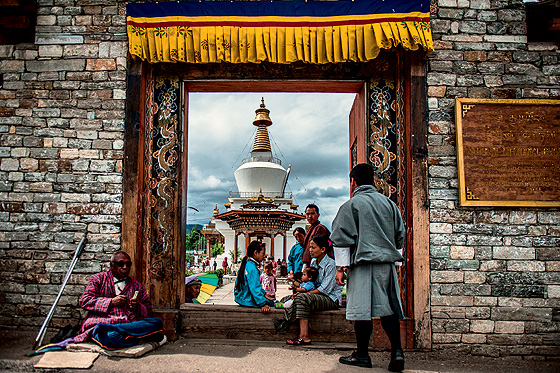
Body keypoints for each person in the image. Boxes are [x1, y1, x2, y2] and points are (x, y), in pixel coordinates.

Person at [331, 163, 406, 371]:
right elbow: (400, 234)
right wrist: (396, 260)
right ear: (373, 181)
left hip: (363, 263)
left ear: (353, 182)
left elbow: (341, 238)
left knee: (360, 309)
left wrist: (340, 268)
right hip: (386, 264)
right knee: (387, 308)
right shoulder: (389, 205)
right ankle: (397, 351)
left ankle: (362, 355)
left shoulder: (351, 205)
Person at [73, 251, 163, 349]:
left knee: (157, 322)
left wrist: (138, 306)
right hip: (102, 324)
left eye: (128, 264)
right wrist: (110, 302)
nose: (125, 267)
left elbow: (148, 309)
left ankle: (124, 333)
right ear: (112, 265)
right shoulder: (98, 279)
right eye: (120, 264)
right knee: (111, 337)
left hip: (127, 324)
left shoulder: (135, 285)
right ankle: (140, 337)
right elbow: (85, 301)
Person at [277, 235, 342, 345]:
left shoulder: (331, 265)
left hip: (330, 298)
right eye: (310, 247)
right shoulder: (313, 263)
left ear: (323, 249)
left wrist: (303, 293)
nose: (310, 250)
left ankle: (304, 336)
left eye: (313, 247)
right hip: (316, 295)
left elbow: (324, 290)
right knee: (286, 299)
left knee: (301, 298)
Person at [234, 241, 274, 314]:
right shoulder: (252, 268)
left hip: (242, 298)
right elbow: (255, 288)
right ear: (255, 253)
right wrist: (262, 304)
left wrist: (264, 294)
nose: (264, 256)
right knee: (273, 303)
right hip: (248, 300)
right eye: (263, 253)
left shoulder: (247, 264)